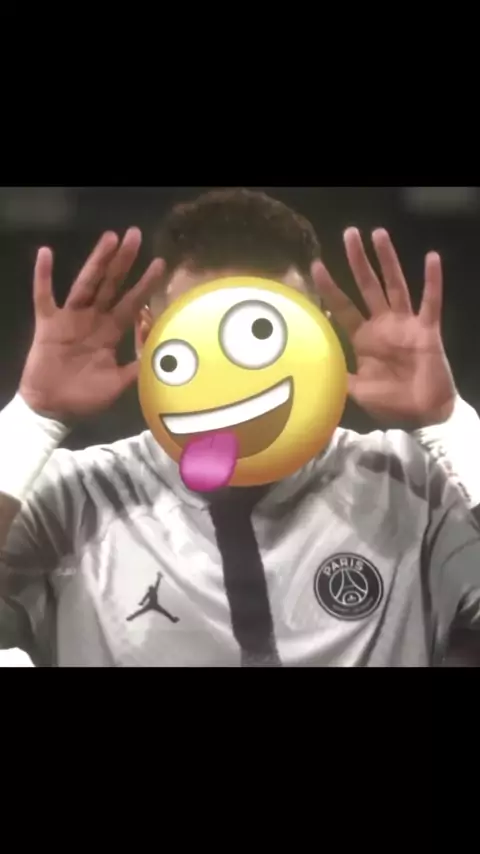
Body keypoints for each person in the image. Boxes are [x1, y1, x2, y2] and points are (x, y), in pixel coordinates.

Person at [0, 187, 480, 667]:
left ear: (321, 335)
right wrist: (33, 418)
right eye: (198, 335)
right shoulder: (69, 498)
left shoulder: (415, 486)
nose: (234, 378)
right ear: (147, 338)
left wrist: (449, 422)